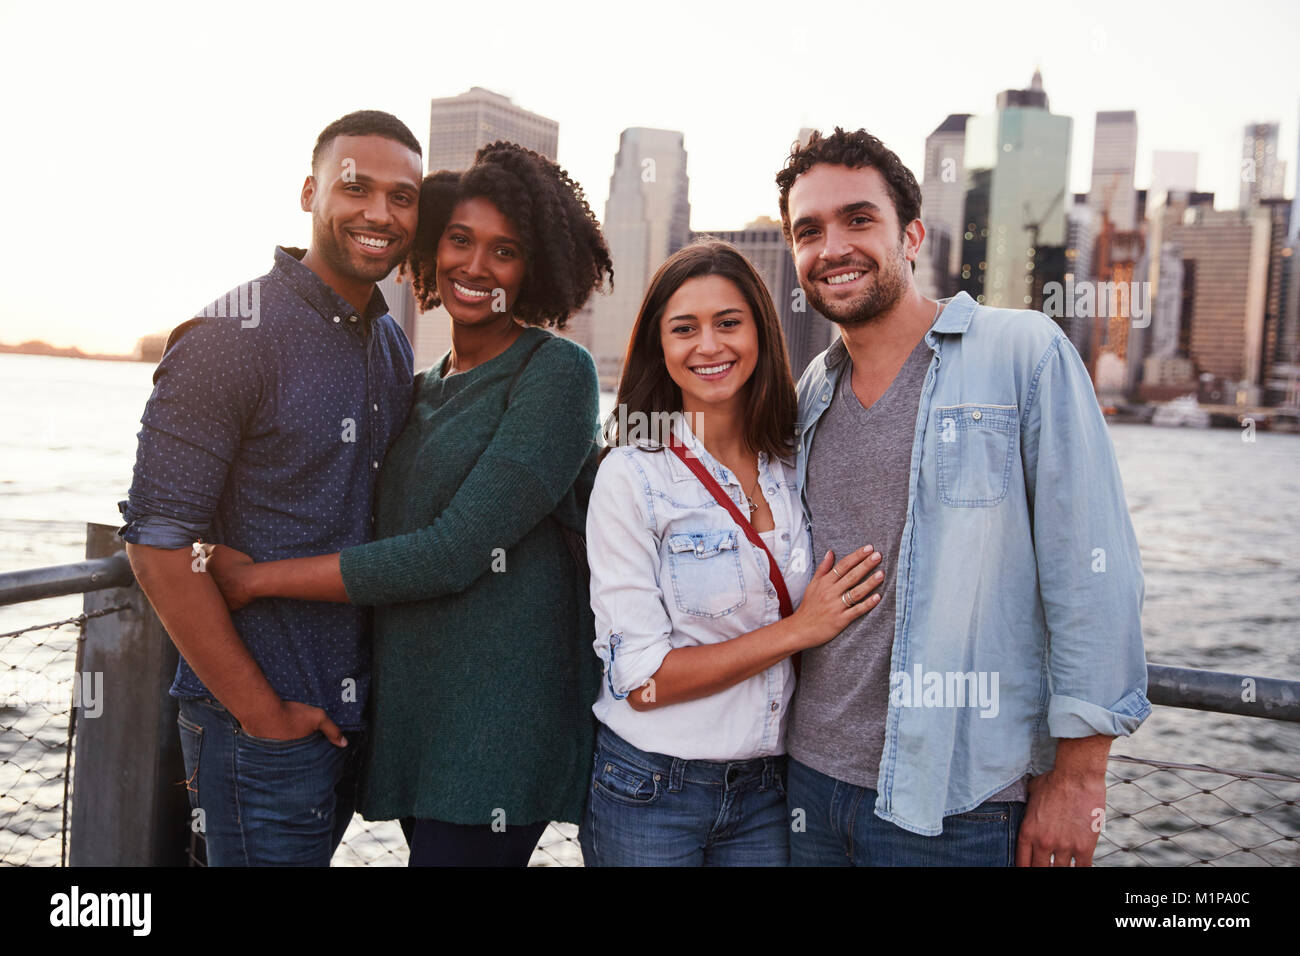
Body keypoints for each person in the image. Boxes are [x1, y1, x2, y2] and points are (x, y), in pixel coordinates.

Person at [208, 141, 613, 867]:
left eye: (506, 250)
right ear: (430, 248)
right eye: (459, 240)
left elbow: (455, 551)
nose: (476, 266)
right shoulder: (420, 383)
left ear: (536, 269)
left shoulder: (556, 374)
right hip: (415, 723)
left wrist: (255, 578)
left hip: (497, 732)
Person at [775, 127, 1149, 867]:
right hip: (804, 788)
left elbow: (1093, 574)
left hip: (956, 803)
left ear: (911, 235)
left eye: (859, 219)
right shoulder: (811, 391)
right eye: (808, 230)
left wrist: (1079, 779)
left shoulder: (1024, 354)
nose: (833, 247)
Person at [118, 110, 423, 865]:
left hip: (348, 719)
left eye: (403, 197)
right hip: (258, 726)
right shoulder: (231, 334)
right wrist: (264, 715)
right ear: (310, 191)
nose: (379, 213)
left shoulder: (386, 340)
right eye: (357, 187)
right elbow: (159, 545)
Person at [579, 240, 884, 866]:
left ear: (761, 334)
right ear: (659, 347)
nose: (709, 346)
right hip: (653, 788)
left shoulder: (795, 459)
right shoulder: (632, 475)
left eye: (728, 323)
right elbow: (643, 681)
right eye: (684, 328)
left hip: (773, 789)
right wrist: (799, 630)